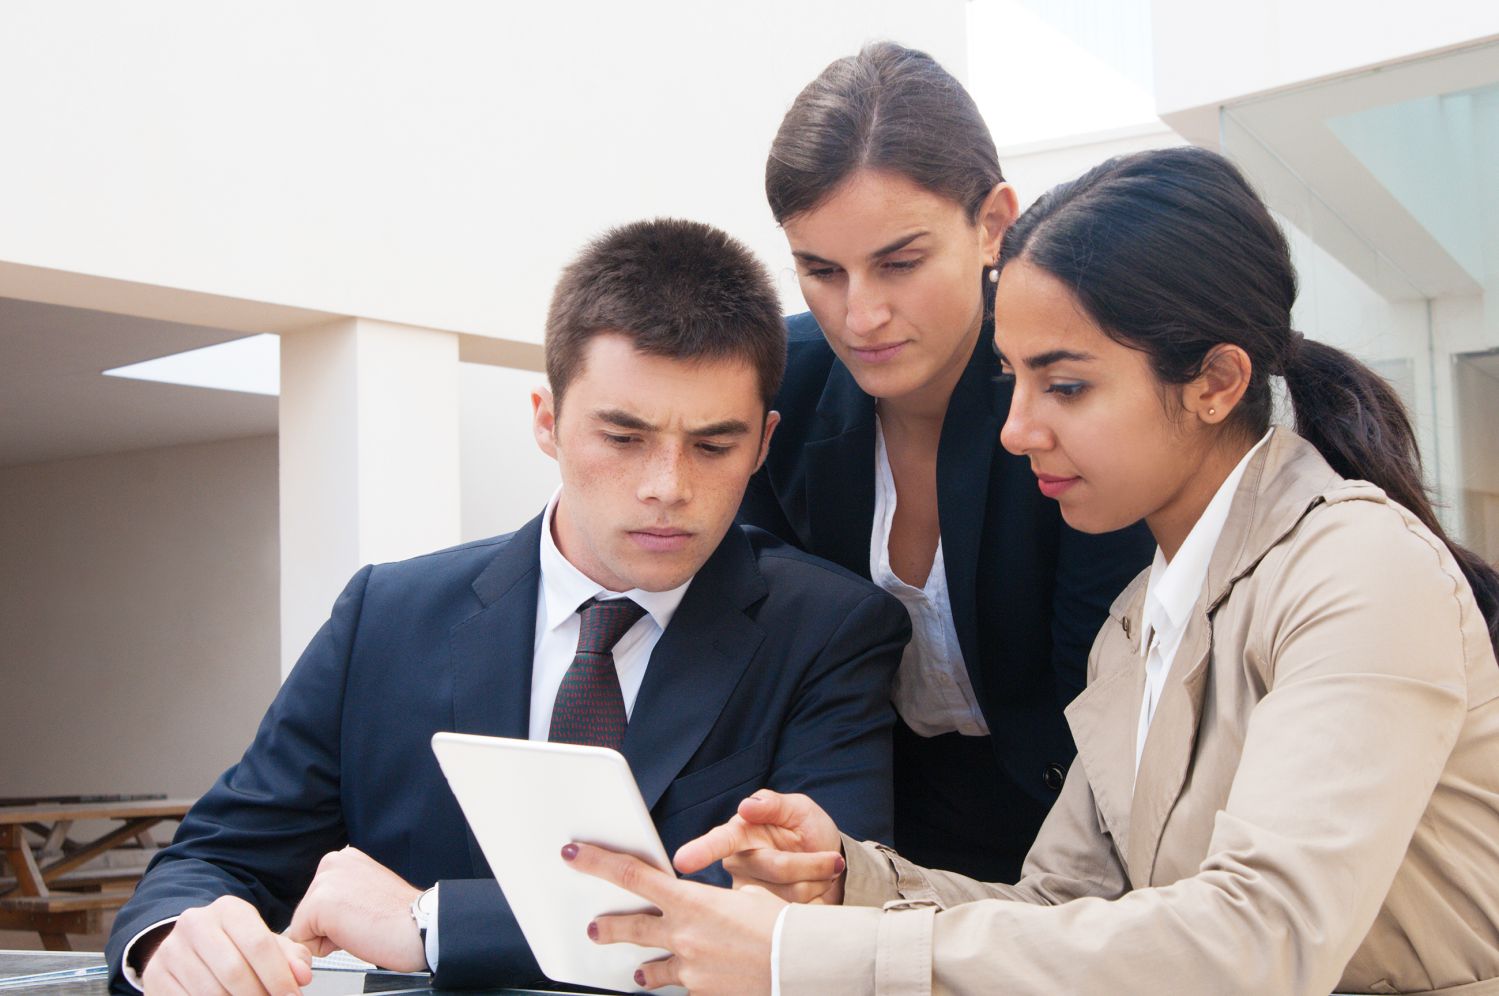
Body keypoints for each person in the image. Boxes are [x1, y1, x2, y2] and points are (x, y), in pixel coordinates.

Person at [566, 148, 1499, 995]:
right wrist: (853, 881)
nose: (1016, 430)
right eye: (1011, 380)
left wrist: (797, 957)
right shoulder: (1141, 619)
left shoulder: (1357, 572)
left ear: (1215, 382)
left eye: (1065, 385)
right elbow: (1059, 904)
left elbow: (1259, 938)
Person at [105, 218, 911, 995]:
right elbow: (217, 858)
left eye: (711, 444)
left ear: (763, 445)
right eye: (623, 438)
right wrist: (178, 940)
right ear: (547, 422)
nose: (667, 486)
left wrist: (433, 921)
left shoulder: (830, 632)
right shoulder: (384, 617)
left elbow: (799, 931)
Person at [738, 42, 1154, 881]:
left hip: (1092, 831)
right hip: (868, 829)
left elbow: (1108, 695)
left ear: (993, 222)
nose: (860, 315)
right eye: (820, 270)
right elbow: (772, 652)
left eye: (900, 262)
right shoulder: (781, 384)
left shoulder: (1072, 390)